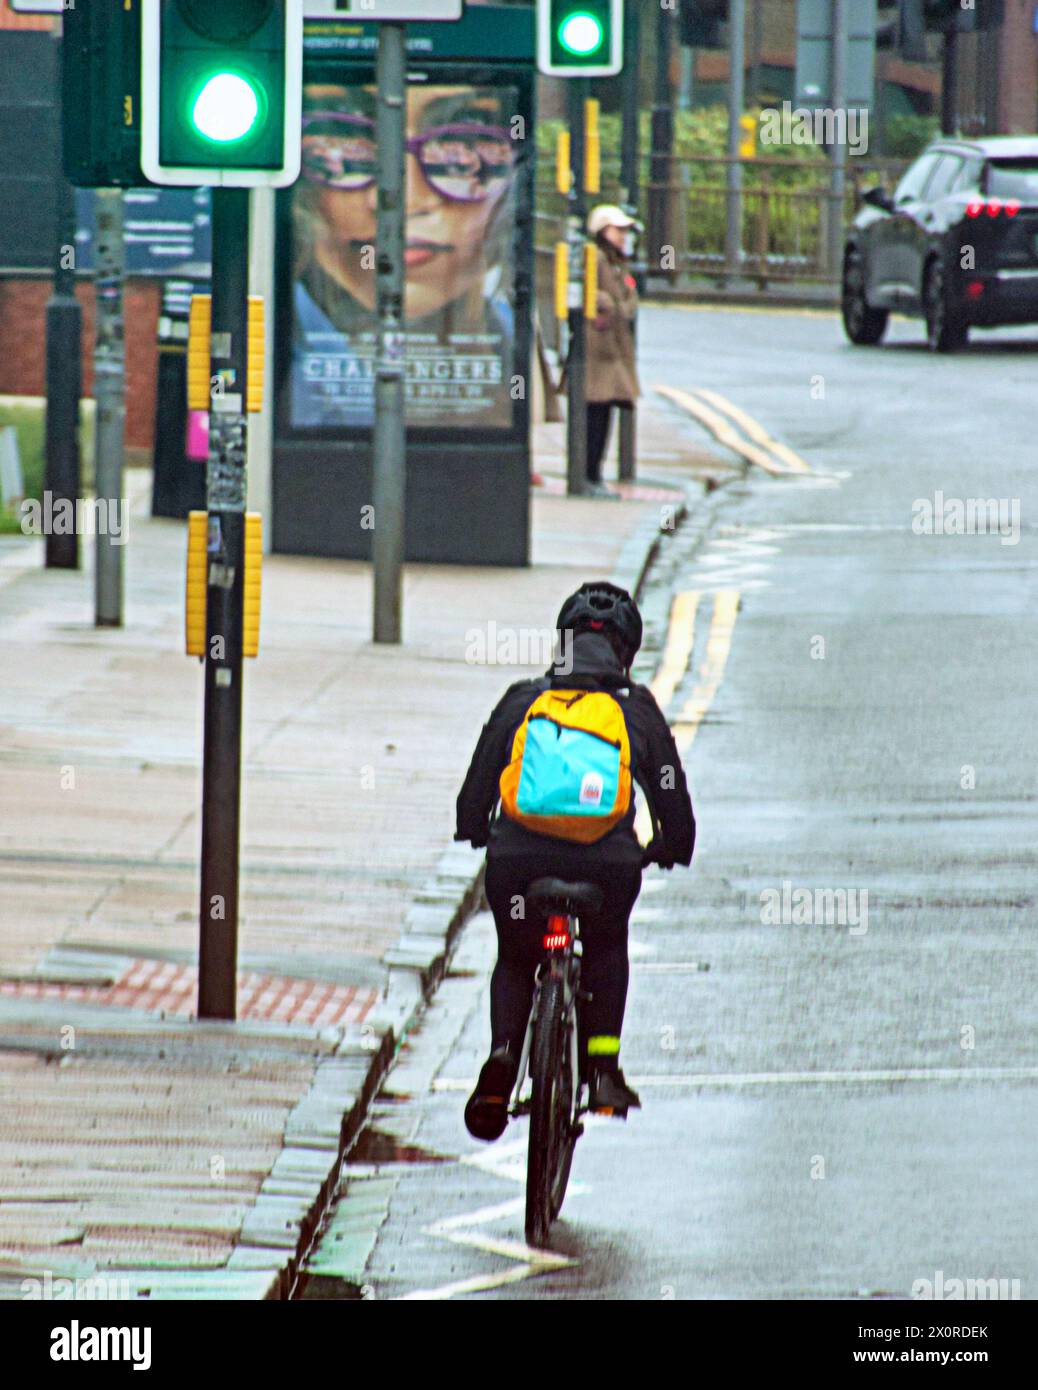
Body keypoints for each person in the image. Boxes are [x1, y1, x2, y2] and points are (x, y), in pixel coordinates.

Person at [455, 582, 695, 1142]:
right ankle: (604, 1069)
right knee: (607, 942)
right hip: (606, 865)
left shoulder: (524, 699)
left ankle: (501, 1059)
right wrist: (669, 848)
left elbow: (477, 789)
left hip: (518, 862)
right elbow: (670, 796)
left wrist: (475, 830)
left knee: (516, 957)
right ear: (627, 652)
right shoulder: (636, 709)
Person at [290, 83, 519, 430]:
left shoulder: (507, 339)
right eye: (349, 143)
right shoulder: (277, 342)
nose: (406, 201)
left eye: (461, 144)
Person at [583, 204, 643, 497]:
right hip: (598, 350)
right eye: (617, 229)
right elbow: (584, 292)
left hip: (612, 351)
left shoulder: (616, 262)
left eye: (624, 230)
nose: (622, 235)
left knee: (604, 414)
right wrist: (606, 302)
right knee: (595, 414)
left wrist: (619, 303)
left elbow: (630, 301)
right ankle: (588, 475)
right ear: (601, 230)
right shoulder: (593, 258)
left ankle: (594, 474)